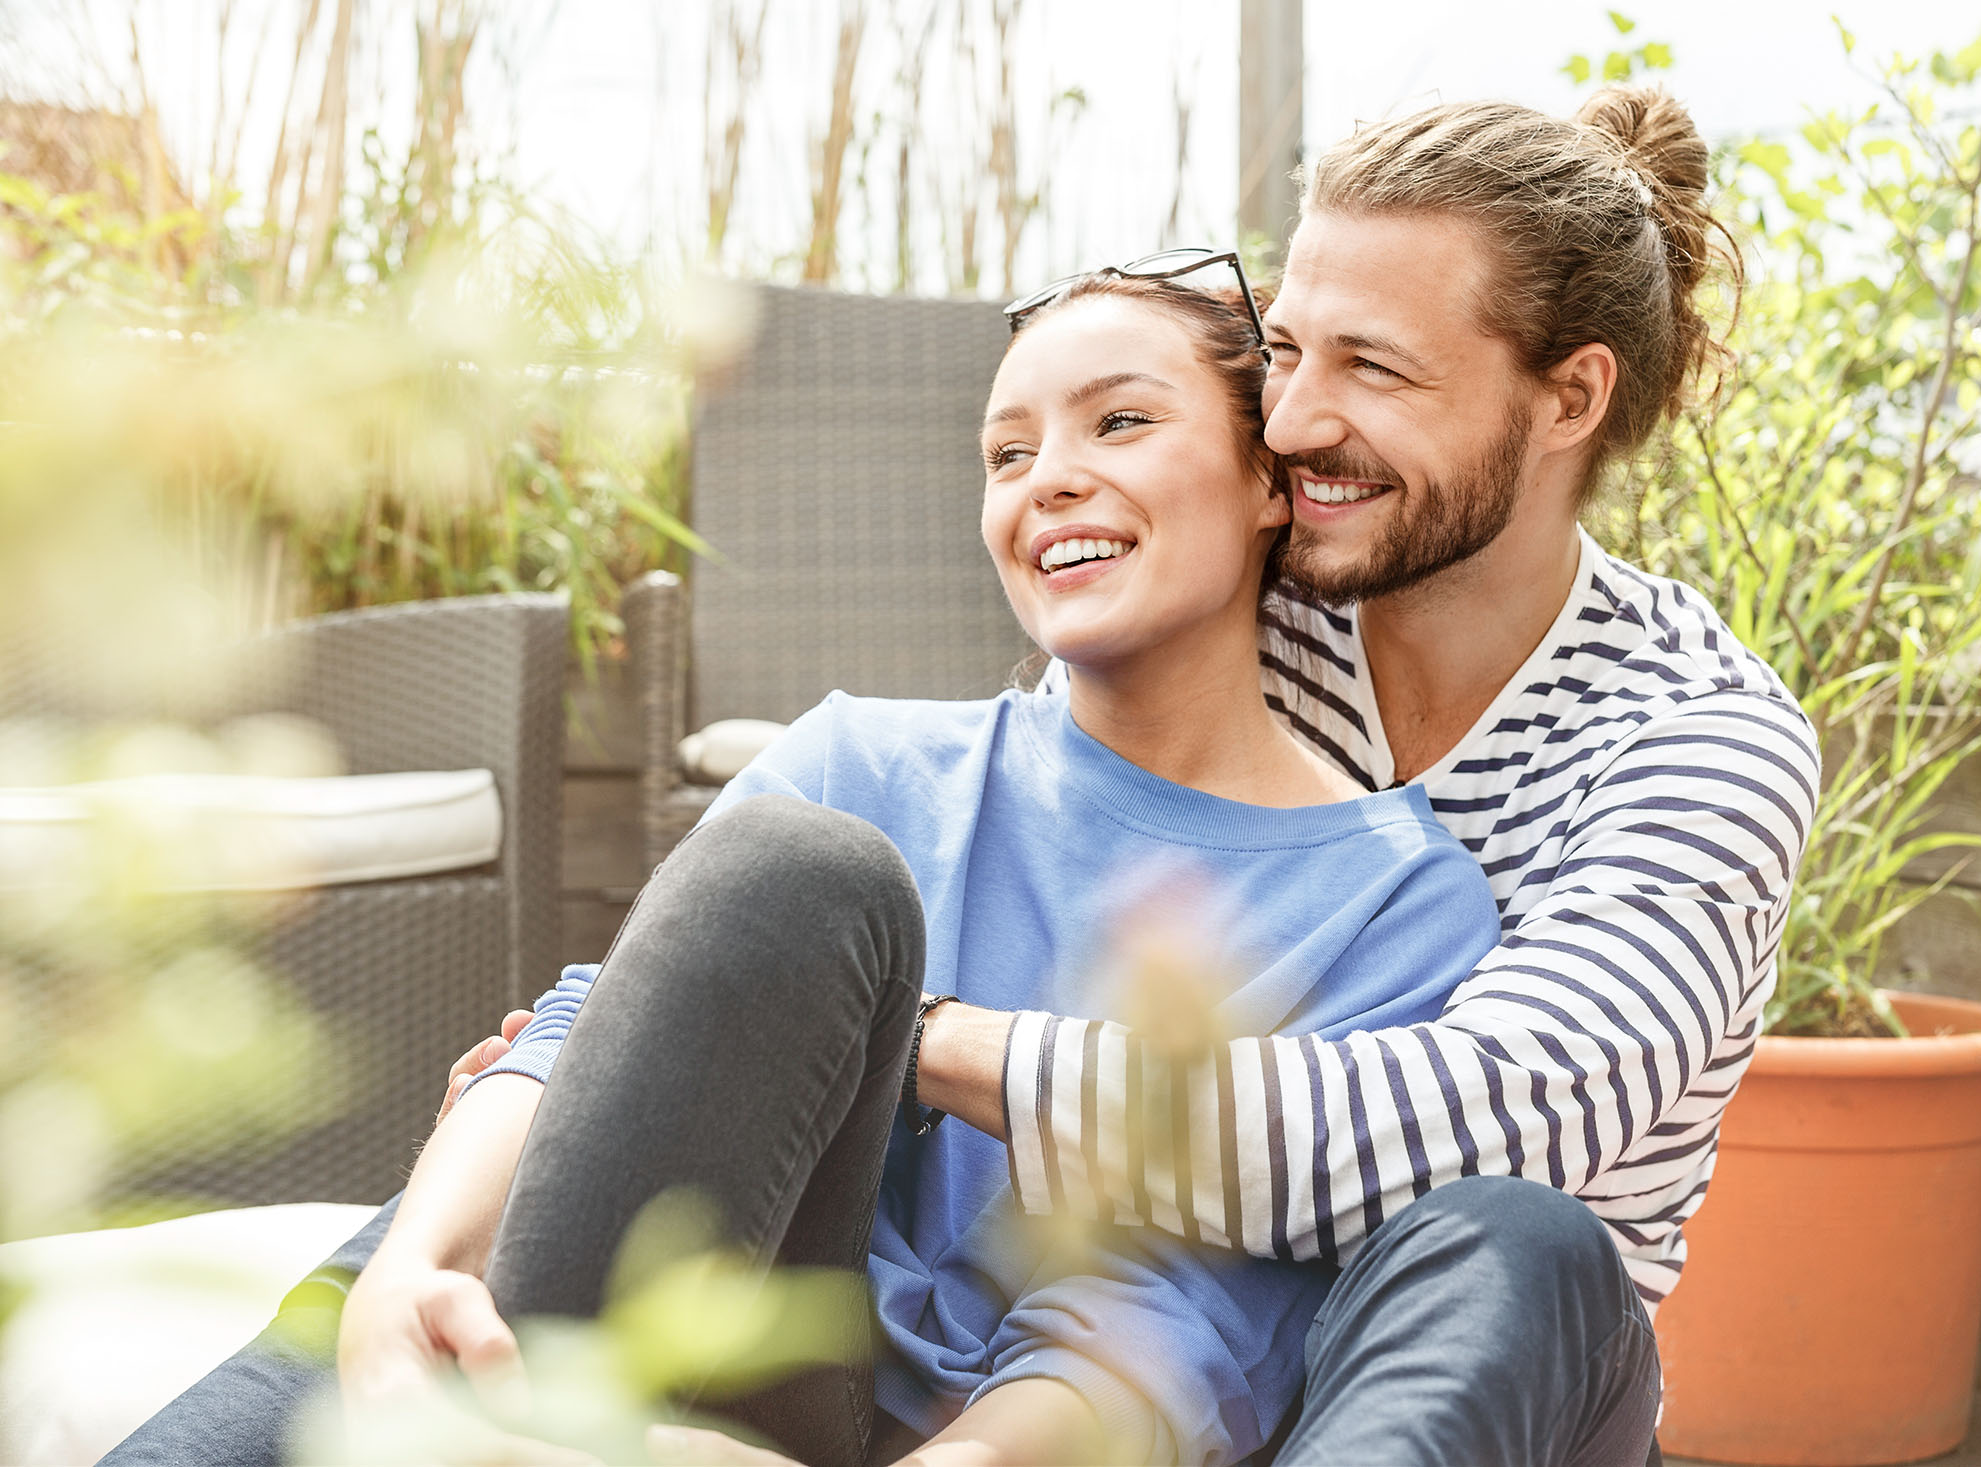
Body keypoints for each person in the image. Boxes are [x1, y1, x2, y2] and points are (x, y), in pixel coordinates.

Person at [463, 84, 1820, 1467]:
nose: (1291, 420)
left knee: (1504, 1238)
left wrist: (899, 1035)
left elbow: (1461, 1129)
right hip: (1146, 1362)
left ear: (1569, 397)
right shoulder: (1252, 604)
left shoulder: (1696, 743)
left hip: (1469, 1383)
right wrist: (647, 1059)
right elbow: (1012, 867)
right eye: (1287, 351)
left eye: (1375, 369)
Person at [104, 265, 1514, 1467]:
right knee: (780, 888)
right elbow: (597, 1027)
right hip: (666, 1321)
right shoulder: (868, 760)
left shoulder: (1396, 903)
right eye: (1006, 453)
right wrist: (411, 1265)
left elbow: (1182, 1316)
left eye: (1124, 422)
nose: (1049, 479)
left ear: (1272, 483)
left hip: (916, 1430)